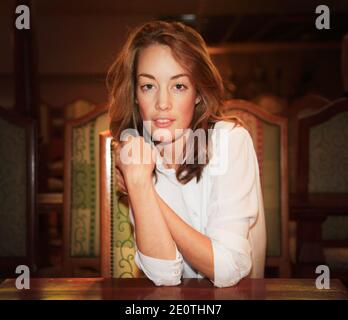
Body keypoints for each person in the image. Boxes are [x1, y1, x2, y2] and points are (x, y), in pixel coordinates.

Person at [107, 20, 266, 288]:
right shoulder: (137, 156)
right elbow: (163, 276)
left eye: (178, 86)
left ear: (197, 93)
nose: (162, 103)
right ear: (135, 94)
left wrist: (145, 191)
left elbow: (226, 269)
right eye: (148, 86)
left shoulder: (230, 141)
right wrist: (139, 183)